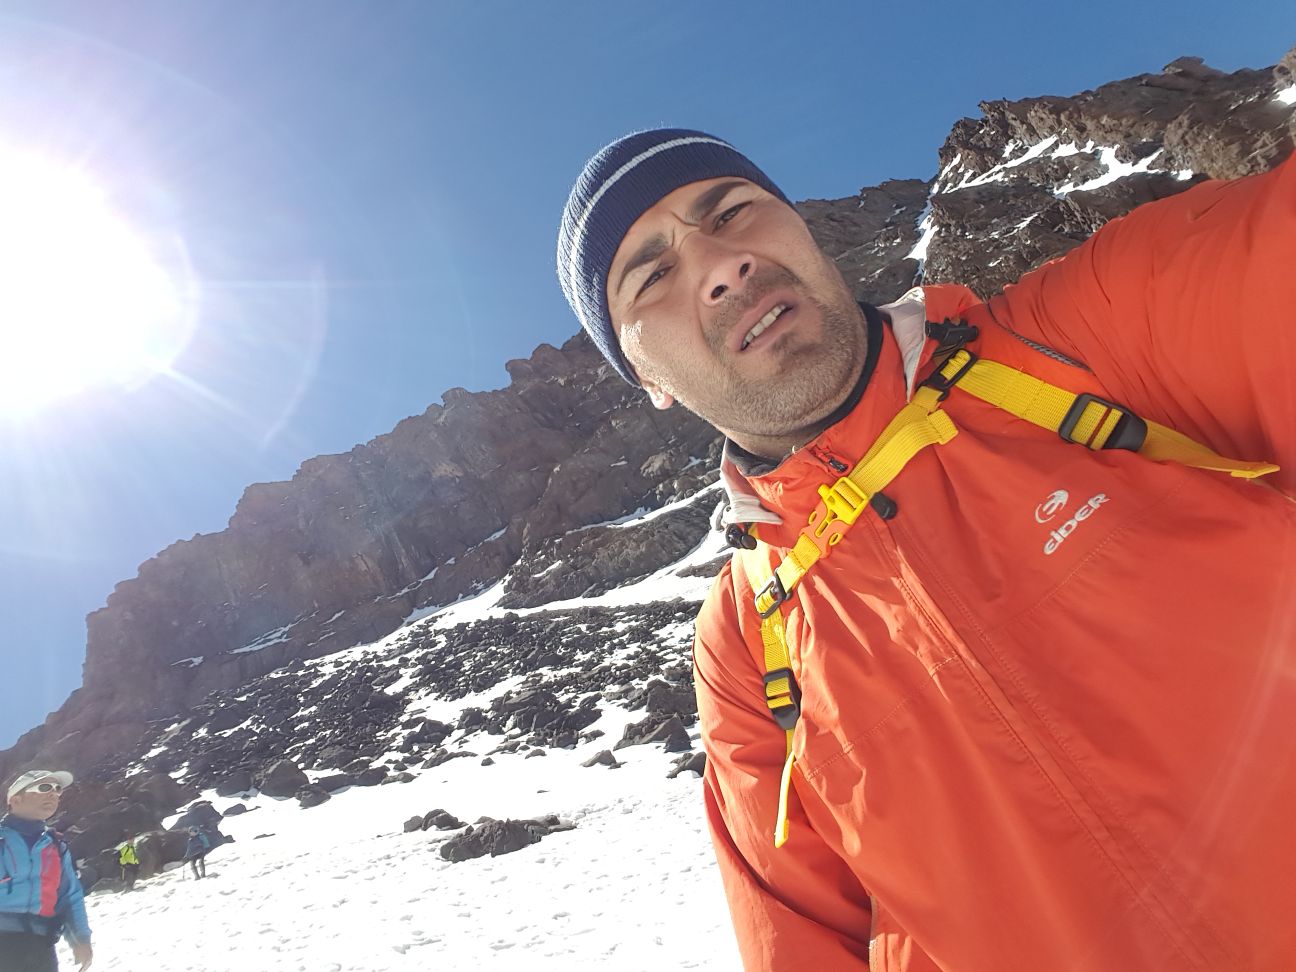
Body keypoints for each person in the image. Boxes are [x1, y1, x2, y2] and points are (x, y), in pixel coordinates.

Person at [556, 128, 1296, 970]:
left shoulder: (1086, 336)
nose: (720, 264)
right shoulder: (746, 645)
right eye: (653, 274)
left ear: (800, 228)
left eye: (730, 212)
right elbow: (797, 938)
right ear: (647, 379)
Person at [0, 771, 93, 972]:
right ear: (15, 799)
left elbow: (69, 896)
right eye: (44, 788)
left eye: (57, 790)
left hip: (42, 947)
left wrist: (81, 938)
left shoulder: (56, 845)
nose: (53, 794)